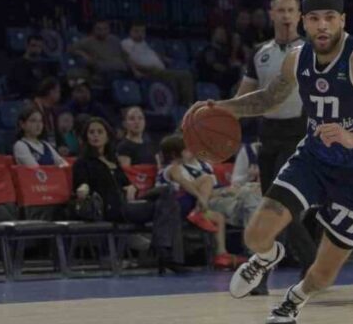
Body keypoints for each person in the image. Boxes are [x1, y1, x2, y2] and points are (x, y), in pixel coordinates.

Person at [185, 0, 353, 324]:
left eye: (329, 18)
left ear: (343, 20)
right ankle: (268, 256)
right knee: (254, 236)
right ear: (303, 22)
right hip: (314, 157)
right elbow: (268, 98)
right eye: (314, 19)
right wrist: (220, 108)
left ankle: (295, 298)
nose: (322, 26)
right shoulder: (297, 59)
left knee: (323, 274)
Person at [233, 0, 317, 295]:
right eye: (279, 10)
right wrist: (222, 111)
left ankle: (272, 272)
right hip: (267, 133)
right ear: (271, 14)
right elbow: (245, 96)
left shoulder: (311, 51)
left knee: (281, 204)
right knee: (274, 208)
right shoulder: (260, 52)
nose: (285, 16)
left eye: (290, 11)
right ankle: (305, 265)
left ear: (299, 16)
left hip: (299, 133)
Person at [72, 118, 186, 275]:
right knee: (169, 201)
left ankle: (163, 250)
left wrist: (132, 187)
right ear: (86, 136)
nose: (95, 136)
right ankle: (166, 253)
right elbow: (81, 185)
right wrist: (83, 188)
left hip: (127, 204)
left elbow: (126, 184)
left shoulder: (112, 160)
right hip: (110, 207)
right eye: (91, 132)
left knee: (168, 197)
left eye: (100, 132)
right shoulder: (83, 162)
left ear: (107, 136)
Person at [157, 134, 234, 269]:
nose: (191, 151)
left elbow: (194, 186)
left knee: (219, 218)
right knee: (207, 179)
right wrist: (200, 197)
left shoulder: (185, 169)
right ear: (175, 154)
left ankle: (221, 253)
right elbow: (183, 182)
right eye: (186, 149)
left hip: (188, 205)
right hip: (174, 205)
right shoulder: (171, 168)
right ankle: (198, 211)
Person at [120, 22, 196, 105]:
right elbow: (127, 59)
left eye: (142, 31)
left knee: (186, 73)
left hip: (160, 70)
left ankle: (185, 104)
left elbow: (151, 54)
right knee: (185, 75)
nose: (140, 34)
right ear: (130, 32)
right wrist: (136, 70)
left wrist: (164, 58)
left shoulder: (143, 43)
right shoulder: (126, 43)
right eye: (136, 31)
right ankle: (188, 104)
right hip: (148, 70)